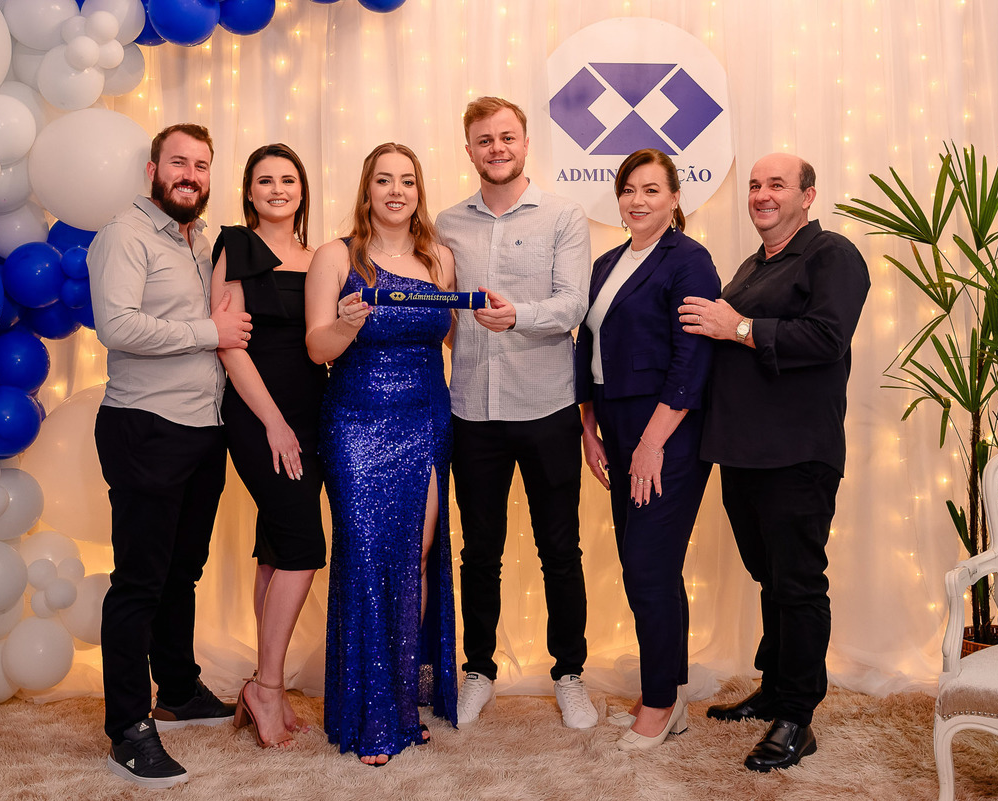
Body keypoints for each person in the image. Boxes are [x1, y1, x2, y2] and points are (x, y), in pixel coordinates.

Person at [678, 153, 869, 771]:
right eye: (755, 185)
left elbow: (827, 338)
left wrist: (737, 328)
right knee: (770, 577)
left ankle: (797, 718)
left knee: (798, 582)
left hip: (797, 452)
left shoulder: (832, 254)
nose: (761, 194)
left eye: (777, 185)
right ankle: (774, 687)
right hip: (742, 452)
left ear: (807, 196)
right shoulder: (753, 265)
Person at [88, 123, 253, 788]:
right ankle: (128, 729)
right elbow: (117, 325)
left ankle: (178, 690)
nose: (191, 174)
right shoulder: (124, 235)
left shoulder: (202, 239)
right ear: (153, 170)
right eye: (179, 162)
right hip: (145, 426)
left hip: (201, 427)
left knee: (183, 571)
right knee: (139, 582)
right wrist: (209, 331)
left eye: (202, 165)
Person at [436, 96, 596, 729]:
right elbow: (443, 309)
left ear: (525, 143)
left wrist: (516, 317)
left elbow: (573, 304)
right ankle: (478, 671)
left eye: (507, 137)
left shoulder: (564, 215)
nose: (496, 148)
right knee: (479, 552)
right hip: (472, 411)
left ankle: (570, 674)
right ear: (469, 150)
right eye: (484, 140)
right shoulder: (447, 223)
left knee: (560, 549)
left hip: (547, 406)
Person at [305, 142, 458, 766]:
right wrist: (346, 323)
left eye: (408, 181)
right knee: (366, 558)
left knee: (415, 555)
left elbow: (449, 335)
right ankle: (369, 715)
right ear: (366, 190)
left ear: (419, 191)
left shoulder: (440, 258)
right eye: (384, 180)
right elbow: (318, 348)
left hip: (426, 419)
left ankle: (399, 701)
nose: (397, 191)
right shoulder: (336, 256)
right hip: (357, 422)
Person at [575, 149, 720, 752]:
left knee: (648, 565)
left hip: (667, 428)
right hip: (614, 422)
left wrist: (651, 442)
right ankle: (668, 690)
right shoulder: (607, 262)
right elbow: (586, 346)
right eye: (629, 189)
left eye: (652, 190)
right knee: (645, 566)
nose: (637, 200)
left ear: (675, 199)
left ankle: (660, 701)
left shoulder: (689, 260)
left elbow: (694, 355)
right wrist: (589, 427)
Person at [208, 144, 326, 749]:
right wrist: (275, 423)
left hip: (316, 413)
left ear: (302, 190)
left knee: (278, 548)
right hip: (260, 416)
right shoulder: (235, 245)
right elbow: (228, 344)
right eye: (264, 180)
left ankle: (263, 681)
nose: (277, 189)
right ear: (249, 192)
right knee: (304, 547)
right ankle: (269, 689)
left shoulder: (322, 257)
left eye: (288, 179)